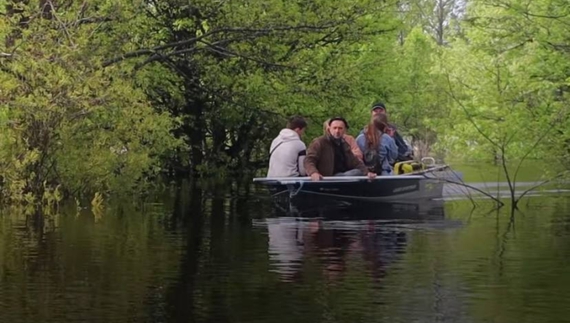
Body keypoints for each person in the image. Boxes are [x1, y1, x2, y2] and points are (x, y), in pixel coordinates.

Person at [305, 117, 376, 181]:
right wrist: (313, 173)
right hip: (327, 179)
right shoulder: (319, 142)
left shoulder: (344, 144)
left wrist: (367, 173)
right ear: (329, 129)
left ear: (344, 130)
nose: (337, 131)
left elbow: (355, 162)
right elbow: (309, 160)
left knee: (357, 172)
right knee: (355, 173)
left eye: (340, 128)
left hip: (343, 176)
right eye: (335, 128)